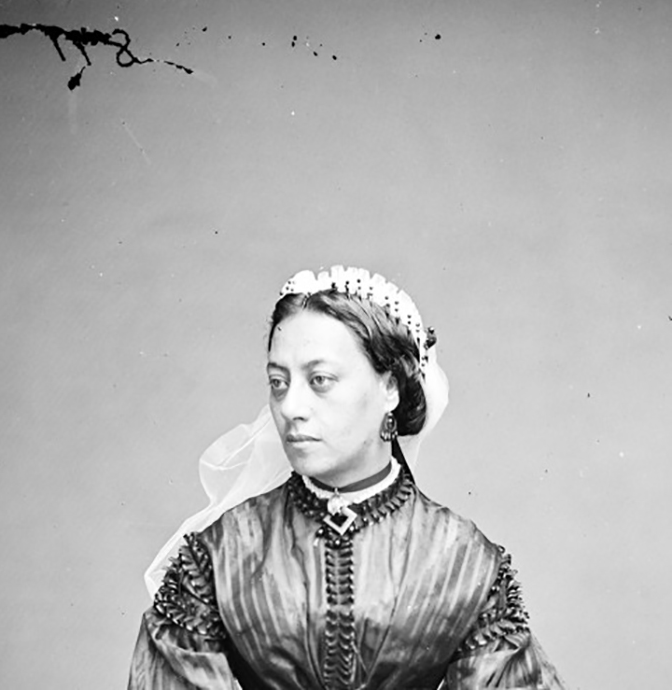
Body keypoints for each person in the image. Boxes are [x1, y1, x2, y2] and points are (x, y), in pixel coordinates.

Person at [128, 266, 567, 689]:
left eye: (320, 380)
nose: (290, 407)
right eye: (278, 382)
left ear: (390, 388)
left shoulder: (463, 561)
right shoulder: (219, 555)